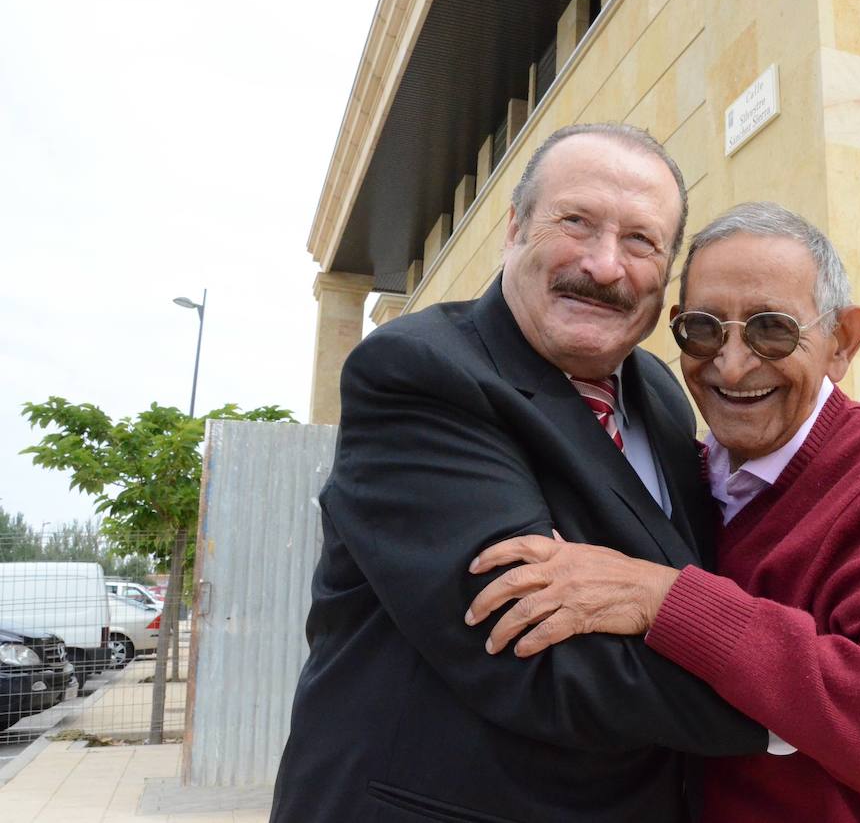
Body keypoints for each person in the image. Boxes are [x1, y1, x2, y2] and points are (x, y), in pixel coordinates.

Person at [270, 124, 764, 823]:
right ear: (514, 230)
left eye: (640, 241)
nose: (603, 265)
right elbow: (535, 657)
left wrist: (656, 600)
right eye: (577, 223)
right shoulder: (420, 371)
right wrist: (800, 702)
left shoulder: (659, 391)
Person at [467, 203, 860, 822]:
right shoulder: (689, 464)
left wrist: (667, 599)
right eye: (704, 331)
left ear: (841, 343)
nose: (731, 365)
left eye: (772, 330)